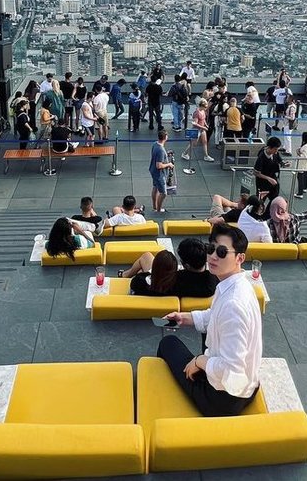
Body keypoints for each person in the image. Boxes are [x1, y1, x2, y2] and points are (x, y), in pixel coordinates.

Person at [158, 226, 263, 417]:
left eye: (222, 252)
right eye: (210, 248)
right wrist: (185, 318)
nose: (213, 256)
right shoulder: (237, 285)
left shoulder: (233, 305)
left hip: (222, 399)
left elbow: (230, 368)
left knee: (168, 344)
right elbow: (213, 315)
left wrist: (199, 361)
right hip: (247, 385)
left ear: (240, 258)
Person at [121, 238, 219, 299]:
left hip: (154, 285)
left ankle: (125, 275)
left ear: (187, 265)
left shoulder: (171, 280)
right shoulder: (211, 282)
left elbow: (138, 282)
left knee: (146, 256)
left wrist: (146, 273)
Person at [182, 99, 215, 166]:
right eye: (205, 107)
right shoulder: (196, 113)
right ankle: (185, 154)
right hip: (196, 130)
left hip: (202, 129)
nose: (206, 108)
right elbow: (195, 124)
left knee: (205, 142)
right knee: (194, 144)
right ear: (201, 106)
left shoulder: (203, 111)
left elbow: (203, 119)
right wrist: (203, 127)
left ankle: (206, 156)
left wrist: (205, 124)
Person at [253, 137, 284, 203]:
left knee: (274, 200)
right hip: (262, 184)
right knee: (260, 202)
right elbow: (256, 173)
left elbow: (279, 160)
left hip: (273, 181)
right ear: (269, 147)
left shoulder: (275, 153)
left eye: (277, 149)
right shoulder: (261, 157)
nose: (276, 151)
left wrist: (283, 164)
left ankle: (271, 211)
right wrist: (268, 178)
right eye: (275, 149)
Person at [149, 130, 173, 214]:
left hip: (153, 171)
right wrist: (169, 164)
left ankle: (155, 207)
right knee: (163, 193)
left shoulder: (155, 144)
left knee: (155, 187)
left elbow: (157, 156)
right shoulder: (161, 150)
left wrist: (166, 155)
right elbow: (159, 165)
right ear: (165, 137)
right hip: (159, 174)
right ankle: (158, 210)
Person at [295, 131, 307, 198]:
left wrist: (299, 154)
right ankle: (304, 188)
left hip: (303, 164)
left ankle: (300, 193)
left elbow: (304, 156)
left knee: (300, 177)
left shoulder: (305, 146)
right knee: (305, 175)